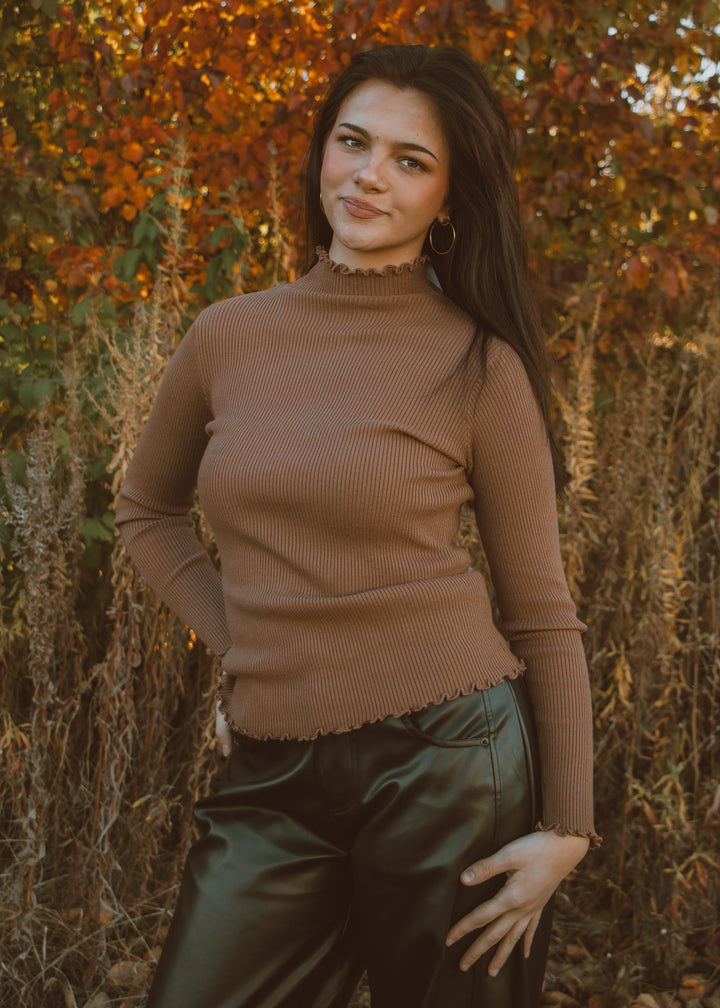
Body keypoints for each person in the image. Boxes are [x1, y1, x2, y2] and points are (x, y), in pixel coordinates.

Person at [116, 43, 599, 1008]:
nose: (370, 175)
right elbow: (147, 512)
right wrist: (246, 643)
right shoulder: (227, 335)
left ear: (450, 199)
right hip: (270, 772)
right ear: (322, 154)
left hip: (451, 763)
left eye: (410, 161)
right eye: (353, 143)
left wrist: (569, 828)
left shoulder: (477, 362)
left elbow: (541, 611)